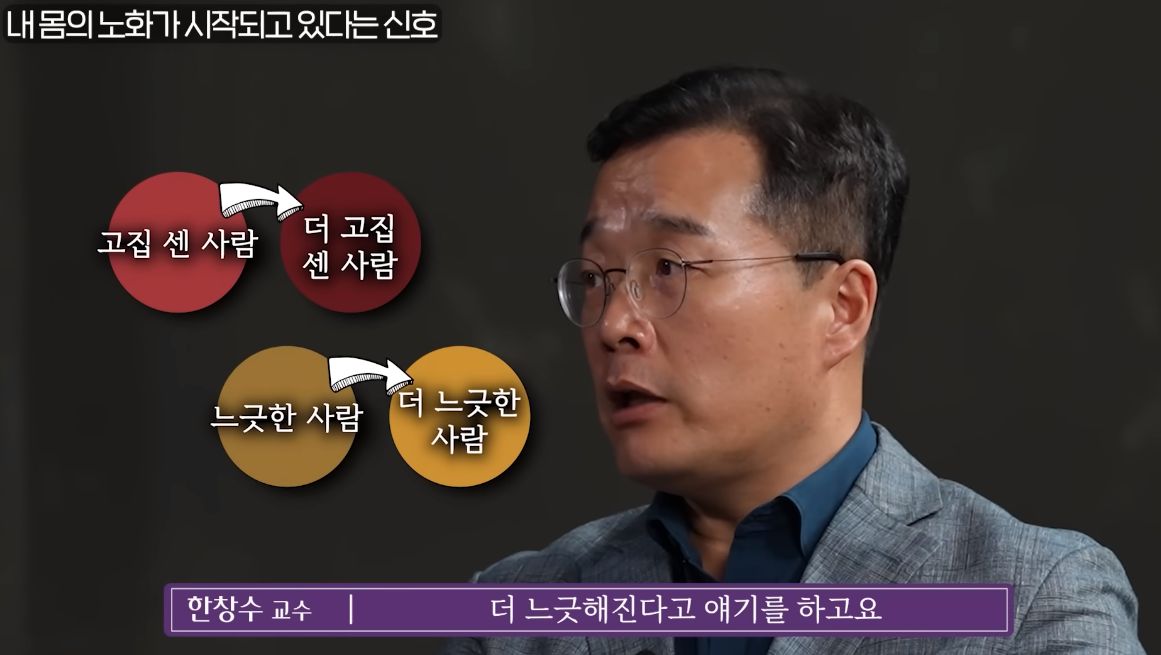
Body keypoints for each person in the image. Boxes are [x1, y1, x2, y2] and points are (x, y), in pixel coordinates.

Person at [441, 66, 1144, 654]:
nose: (615, 325)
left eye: (669, 267)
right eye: (597, 276)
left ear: (842, 307)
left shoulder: (1033, 599)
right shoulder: (512, 615)